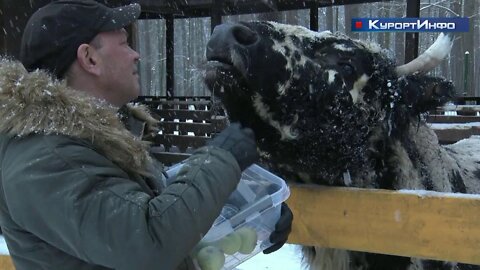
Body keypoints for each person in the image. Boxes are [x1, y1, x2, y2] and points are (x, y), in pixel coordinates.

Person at [0, 1, 292, 269]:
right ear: (89, 59)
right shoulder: (46, 160)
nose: (136, 54)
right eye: (125, 43)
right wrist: (221, 159)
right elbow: (147, 241)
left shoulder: (95, 141)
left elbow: (160, 212)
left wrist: (250, 212)